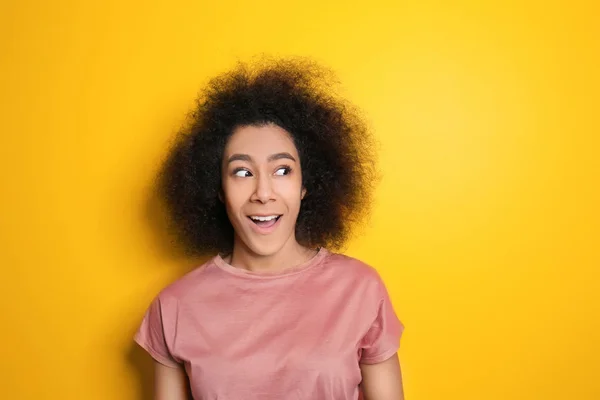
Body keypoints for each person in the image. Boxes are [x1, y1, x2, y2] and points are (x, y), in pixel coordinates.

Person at [134, 58, 405, 400]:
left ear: (307, 184)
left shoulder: (360, 290)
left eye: (282, 170)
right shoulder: (175, 306)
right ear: (217, 188)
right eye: (242, 173)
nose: (263, 193)